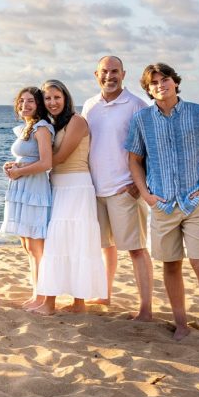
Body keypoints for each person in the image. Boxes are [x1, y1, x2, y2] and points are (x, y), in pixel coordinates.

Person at [126, 63, 199, 343]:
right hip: (162, 204)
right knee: (170, 265)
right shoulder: (142, 120)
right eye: (154, 82)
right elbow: (134, 160)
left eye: (165, 79)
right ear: (148, 89)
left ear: (175, 82)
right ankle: (181, 324)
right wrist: (146, 194)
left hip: (196, 203)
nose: (161, 85)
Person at [81, 56, 153, 321]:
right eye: (104, 71)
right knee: (105, 247)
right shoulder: (90, 105)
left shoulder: (136, 105)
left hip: (125, 189)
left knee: (135, 249)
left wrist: (139, 184)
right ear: (95, 74)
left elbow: (151, 148)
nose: (109, 76)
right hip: (95, 189)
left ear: (123, 74)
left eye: (114, 71)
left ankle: (146, 308)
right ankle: (105, 294)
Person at [32, 80, 106, 315]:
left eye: (57, 97)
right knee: (61, 243)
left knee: (74, 243)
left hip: (76, 186)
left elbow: (61, 157)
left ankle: (64, 303)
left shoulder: (77, 122)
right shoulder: (52, 125)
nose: (52, 102)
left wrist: (27, 167)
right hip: (57, 185)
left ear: (66, 98)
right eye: (47, 98)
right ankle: (65, 302)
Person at [2, 87, 53, 310]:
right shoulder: (27, 128)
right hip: (22, 186)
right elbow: (27, 158)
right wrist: (13, 165)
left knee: (36, 246)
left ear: (39, 104)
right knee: (27, 245)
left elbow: (45, 163)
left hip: (34, 188)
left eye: (31, 101)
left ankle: (42, 296)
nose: (25, 105)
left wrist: (20, 171)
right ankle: (36, 293)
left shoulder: (41, 128)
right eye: (21, 101)